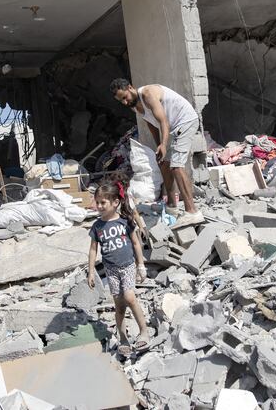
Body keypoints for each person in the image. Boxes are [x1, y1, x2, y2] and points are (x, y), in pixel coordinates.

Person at [110, 78, 204, 228]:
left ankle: (192, 212)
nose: (125, 103)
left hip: (185, 121)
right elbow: (152, 124)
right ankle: (172, 206)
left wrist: (164, 144)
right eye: (121, 101)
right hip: (173, 127)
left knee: (177, 166)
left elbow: (163, 121)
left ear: (130, 87)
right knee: (163, 164)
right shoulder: (135, 105)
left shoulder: (147, 94)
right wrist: (158, 147)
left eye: (125, 97)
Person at [87, 179, 149, 356]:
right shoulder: (97, 226)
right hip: (111, 270)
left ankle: (144, 330)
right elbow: (93, 250)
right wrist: (91, 271)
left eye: (102, 202)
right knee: (119, 304)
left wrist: (141, 265)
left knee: (130, 297)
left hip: (127, 266)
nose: (98, 205)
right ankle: (123, 338)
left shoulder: (125, 222)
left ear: (115, 203)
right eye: (97, 202)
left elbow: (136, 244)